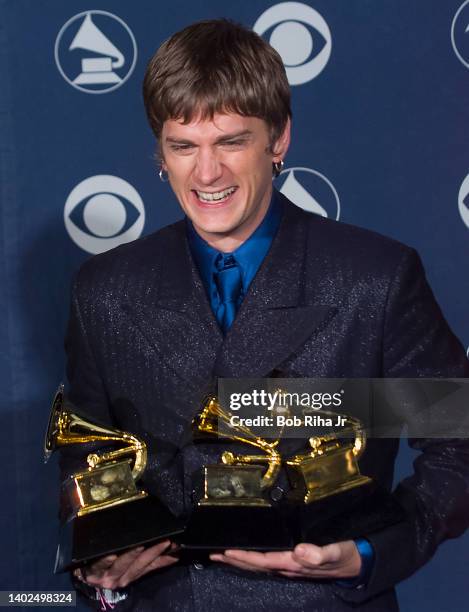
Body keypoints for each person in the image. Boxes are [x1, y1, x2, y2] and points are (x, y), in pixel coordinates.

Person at [63, 19, 469, 611]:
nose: (207, 174)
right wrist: (99, 553)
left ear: (278, 141)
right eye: (184, 146)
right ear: (161, 153)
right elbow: (88, 454)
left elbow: (458, 441)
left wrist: (370, 550)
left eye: (231, 142)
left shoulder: (375, 278)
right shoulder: (103, 290)